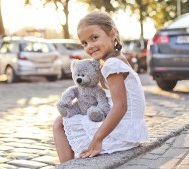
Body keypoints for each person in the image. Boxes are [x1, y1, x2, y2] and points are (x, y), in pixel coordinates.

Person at [53, 11, 149, 163]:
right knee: (66, 120)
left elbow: (120, 106)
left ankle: (66, 166)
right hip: (129, 129)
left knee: (59, 123)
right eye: (84, 43)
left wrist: (98, 139)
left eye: (94, 38)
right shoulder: (116, 59)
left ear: (112, 34)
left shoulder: (112, 64)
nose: (90, 46)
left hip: (121, 132)